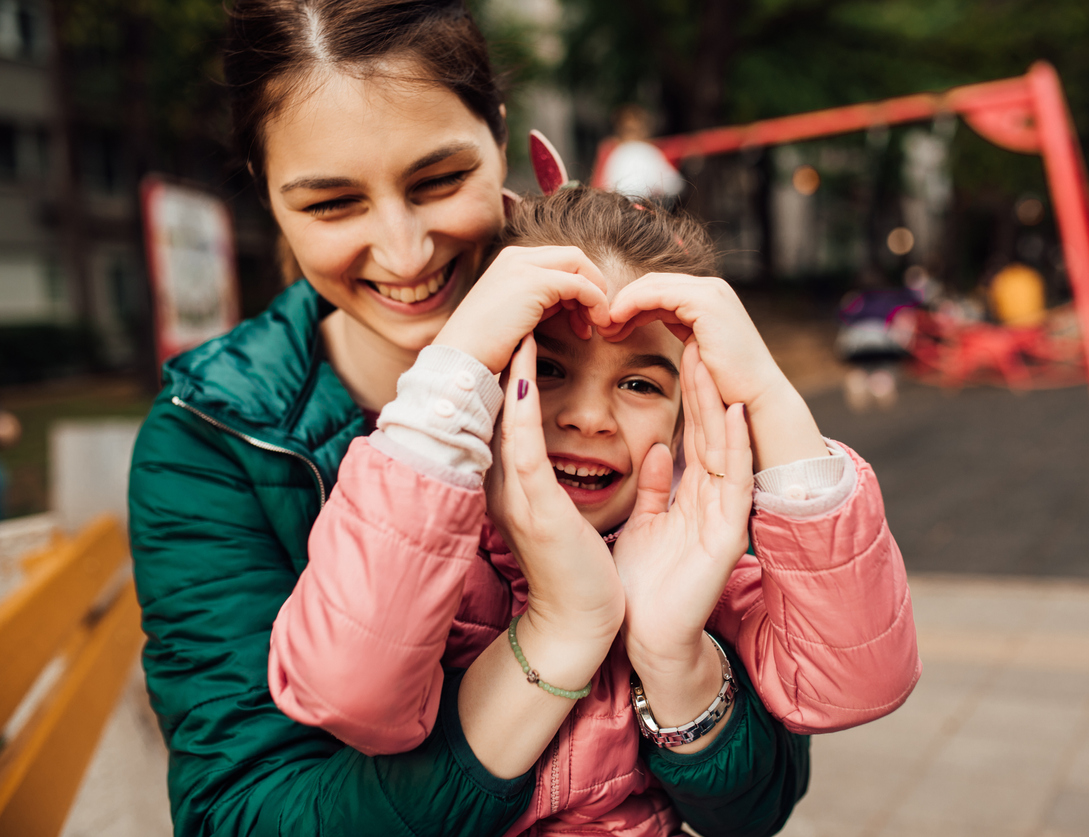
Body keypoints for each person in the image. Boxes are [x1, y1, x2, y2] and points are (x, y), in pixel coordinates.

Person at [127, 2, 910, 836]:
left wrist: (676, 658)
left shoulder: (625, 333)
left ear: (499, 134)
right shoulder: (213, 436)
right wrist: (563, 628)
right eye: (331, 204)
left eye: (437, 181)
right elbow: (243, 808)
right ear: (266, 191)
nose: (404, 252)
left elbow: (762, 790)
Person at [267, 187, 920, 834]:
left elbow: (856, 683)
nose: (588, 415)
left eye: (639, 384)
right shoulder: (430, 557)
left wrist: (767, 394)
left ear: (684, 414)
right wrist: (452, 371)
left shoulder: (696, 560)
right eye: (547, 368)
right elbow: (348, 689)